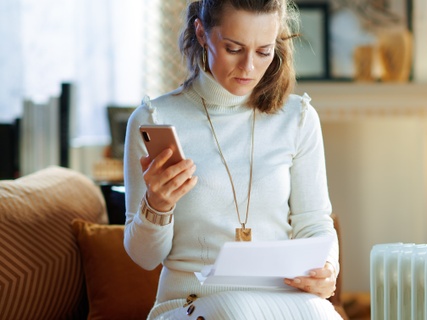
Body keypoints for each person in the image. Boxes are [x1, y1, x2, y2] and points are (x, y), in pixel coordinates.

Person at [123, 0, 341, 319]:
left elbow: (315, 222)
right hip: (189, 303)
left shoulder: (298, 118)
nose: (249, 68)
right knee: (234, 311)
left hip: (280, 302)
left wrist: (327, 269)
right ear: (201, 33)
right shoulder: (155, 119)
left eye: (263, 51)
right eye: (234, 48)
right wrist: (157, 205)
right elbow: (145, 258)